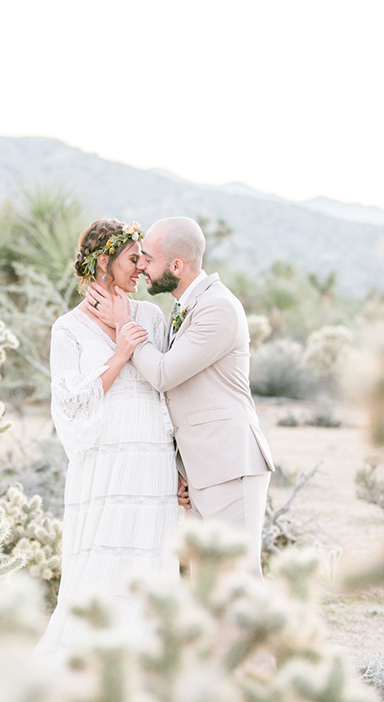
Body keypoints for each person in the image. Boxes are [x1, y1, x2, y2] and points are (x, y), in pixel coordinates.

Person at [86, 216, 274, 578]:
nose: (141, 266)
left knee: (240, 585)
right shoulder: (183, 306)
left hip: (231, 465)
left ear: (176, 265)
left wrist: (123, 323)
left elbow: (163, 374)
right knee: (209, 587)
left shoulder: (217, 307)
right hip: (204, 468)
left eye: (148, 259)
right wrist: (183, 468)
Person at [35, 218, 179, 659]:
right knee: (99, 556)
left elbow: (167, 388)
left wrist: (181, 467)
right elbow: (72, 405)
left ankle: (146, 668)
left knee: (149, 554)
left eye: (144, 261)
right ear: (104, 262)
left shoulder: (152, 316)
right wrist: (119, 351)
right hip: (102, 461)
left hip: (152, 456)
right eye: (134, 260)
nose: (142, 270)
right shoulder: (68, 328)